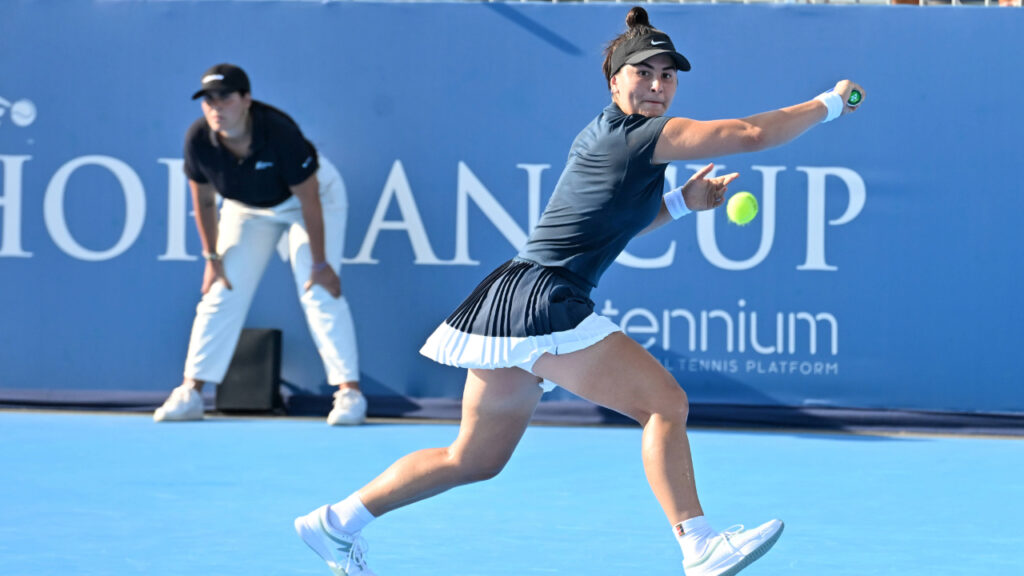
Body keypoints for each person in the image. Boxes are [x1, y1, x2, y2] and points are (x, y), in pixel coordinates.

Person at [294, 7, 864, 575]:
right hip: (544, 300)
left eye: (668, 75)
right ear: (615, 79)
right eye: (644, 73)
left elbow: (611, 221)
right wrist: (832, 104)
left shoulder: (610, 134)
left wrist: (681, 204)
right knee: (665, 405)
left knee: (473, 458)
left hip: (509, 298)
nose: (658, 85)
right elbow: (751, 134)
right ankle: (700, 543)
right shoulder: (640, 137)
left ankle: (336, 523)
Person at [154, 64, 366, 426]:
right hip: (247, 209)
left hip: (309, 201)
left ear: (246, 100)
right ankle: (191, 393)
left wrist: (320, 263)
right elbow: (204, 201)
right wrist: (212, 257)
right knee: (221, 290)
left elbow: (310, 199)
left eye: (225, 98)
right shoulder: (198, 140)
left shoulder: (279, 132)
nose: (215, 107)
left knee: (319, 291)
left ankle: (350, 394)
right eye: (208, 100)